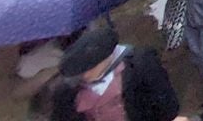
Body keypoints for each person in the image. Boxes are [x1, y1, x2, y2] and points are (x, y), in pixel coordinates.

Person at [41, 19, 187, 121]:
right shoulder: (65, 92)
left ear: (105, 59)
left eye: (89, 69)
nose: (85, 75)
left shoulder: (140, 65)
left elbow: (167, 106)